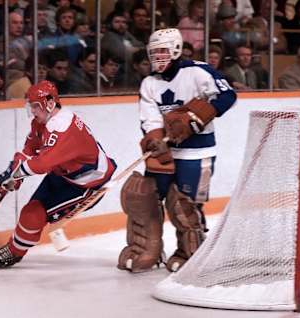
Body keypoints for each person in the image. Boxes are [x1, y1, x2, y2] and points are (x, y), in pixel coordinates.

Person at [117, 28, 236, 273]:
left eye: (162, 51)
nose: (157, 57)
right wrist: (154, 140)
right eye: (153, 53)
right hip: (165, 154)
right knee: (144, 198)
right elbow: (149, 119)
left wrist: (196, 119)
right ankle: (146, 249)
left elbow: (227, 95)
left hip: (197, 153)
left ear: (176, 49)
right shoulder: (149, 83)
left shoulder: (198, 71)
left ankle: (191, 250)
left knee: (186, 206)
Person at [0, 80, 117, 269]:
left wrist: (15, 175)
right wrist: (12, 172)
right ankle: (14, 248)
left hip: (87, 183)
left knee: (32, 215)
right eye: (30, 106)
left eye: (35, 107)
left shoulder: (62, 127)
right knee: (30, 210)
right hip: (64, 173)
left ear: (49, 103)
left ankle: (14, 252)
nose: (32, 111)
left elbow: (42, 164)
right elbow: (30, 149)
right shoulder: (41, 122)